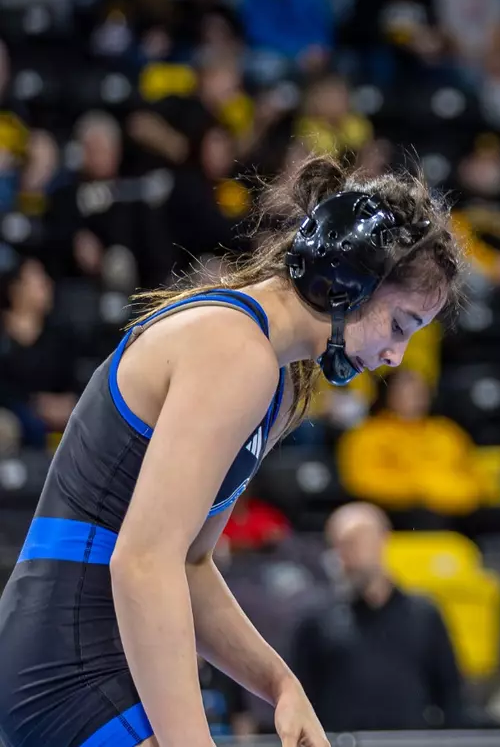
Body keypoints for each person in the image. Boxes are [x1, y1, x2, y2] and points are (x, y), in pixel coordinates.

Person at [0, 153, 463, 747]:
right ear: (348, 281)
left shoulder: (272, 376)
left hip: (80, 646)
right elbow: (143, 563)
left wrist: (280, 684)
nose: (396, 357)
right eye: (399, 325)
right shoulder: (235, 353)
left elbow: (190, 564)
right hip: (69, 660)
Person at [289, 502, 468, 731]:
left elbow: (450, 692)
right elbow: (301, 695)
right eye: (338, 545)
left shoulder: (424, 614)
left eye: (354, 542)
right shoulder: (315, 620)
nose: (346, 555)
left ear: (382, 540)